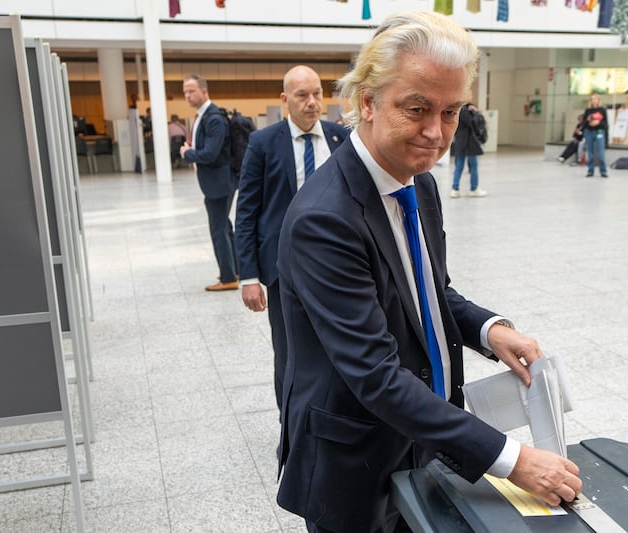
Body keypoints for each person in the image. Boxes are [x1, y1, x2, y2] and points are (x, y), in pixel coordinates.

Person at [275, 11, 582, 532]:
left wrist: (489, 329)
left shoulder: (419, 183)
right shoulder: (324, 218)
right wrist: (513, 459)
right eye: (416, 108)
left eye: (452, 111)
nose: (436, 133)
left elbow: (426, 291)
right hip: (356, 457)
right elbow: (374, 374)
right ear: (367, 102)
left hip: (423, 441)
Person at [234, 65, 348, 412]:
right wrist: (249, 276)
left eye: (317, 93)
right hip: (284, 268)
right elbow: (247, 212)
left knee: (339, 345)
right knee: (289, 352)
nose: (312, 102)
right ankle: (291, 426)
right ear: (285, 99)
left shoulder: (340, 138)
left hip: (337, 265)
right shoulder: (263, 143)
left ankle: (335, 414)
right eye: (302, 95)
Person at [180, 74, 239, 291]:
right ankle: (236, 269)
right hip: (217, 180)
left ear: (204, 91)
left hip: (220, 182)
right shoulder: (203, 117)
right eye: (185, 91)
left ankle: (228, 278)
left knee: (218, 228)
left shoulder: (213, 117)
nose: (187, 95)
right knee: (225, 225)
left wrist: (188, 153)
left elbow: (210, 154)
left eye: (191, 91)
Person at [450, 103, 487, 198]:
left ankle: (455, 189)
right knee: (474, 165)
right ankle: (474, 189)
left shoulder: (456, 110)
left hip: (460, 141)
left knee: (459, 166)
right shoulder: (465, 111)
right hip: (469, 142)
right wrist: (475, 112)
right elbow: (472, 122)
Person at [583, 93, 609, 178]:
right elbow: (583, 124)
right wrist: (588, 121)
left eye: (595, 98)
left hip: (599, 132)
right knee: (590, 152)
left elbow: (605, 124)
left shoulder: (602, 110)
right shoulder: (588, 111)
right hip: (589, 132)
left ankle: (603, 171)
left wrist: (598, 122)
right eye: (592, 99)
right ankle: (590, 170)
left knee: (600, 153)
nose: (594, 100)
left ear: (598, 100)